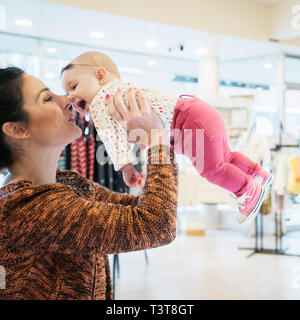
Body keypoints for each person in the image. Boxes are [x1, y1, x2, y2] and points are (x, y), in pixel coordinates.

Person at [0, 67, 178, 300]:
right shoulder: (27, 208)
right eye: (47, 98)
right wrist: (156, 139)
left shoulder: (69, 184)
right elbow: (157, 224)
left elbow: (149, 210)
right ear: (17, 129)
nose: (67, 100)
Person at [61, 51, 272, 225]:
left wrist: (126, 169)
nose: (70, 96)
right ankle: (259, 175)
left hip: (187, 123)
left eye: (73, 86)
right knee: (226, 157)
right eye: (66, 91)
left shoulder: (100, 103)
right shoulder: (121, 89)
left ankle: (248, 191)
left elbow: (111, 138)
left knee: (211, 169)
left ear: (100, 76)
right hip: (196, 110)